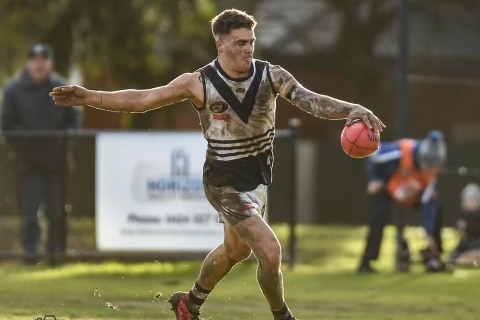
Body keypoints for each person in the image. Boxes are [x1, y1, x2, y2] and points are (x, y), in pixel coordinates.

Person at [50, 9, 384, 320]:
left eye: (251, 42)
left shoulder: (271, 75)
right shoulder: (198, 82)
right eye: (240, 43)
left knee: (233, 251)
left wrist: (351, 108)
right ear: (220, 43)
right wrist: (90, 96)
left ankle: (189, 303)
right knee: (269, 251)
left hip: (256, 179)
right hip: (222, 181)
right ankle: (283, 316)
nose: (248, 49)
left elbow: (311, 101)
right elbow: (143, 99)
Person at [1, 44, 81, 265]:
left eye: (43, 59)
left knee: (57, 214)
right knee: (30, 214)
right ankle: (30, 257)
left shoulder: (61, 88)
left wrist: (66, 139)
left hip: (57, 163)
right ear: (29, 63)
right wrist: (28, 144)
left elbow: (74, 122)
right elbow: (7, 125)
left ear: (49, 62)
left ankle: (57, 256)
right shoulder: (13, 91)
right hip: (28, 165)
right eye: (34, 59)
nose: (39, 63)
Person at [357, 130, 447, 274]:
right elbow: (372, 154)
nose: (428, 169)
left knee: (436, 208)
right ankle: (366, 262)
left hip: (414, 195)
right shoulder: (400, 152)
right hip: (388, 188)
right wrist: (375, 179)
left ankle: (434, 255)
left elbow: (427, 202)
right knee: (378, 218)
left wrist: (428, 233)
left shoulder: (433, 168)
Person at [449, 183, 480, 264]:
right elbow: (462, 237)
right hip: (467, 246)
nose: (470, 202)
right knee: (454, 256)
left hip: (477, 245)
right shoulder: (462, 218)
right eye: (468, 199)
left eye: (473, 199)